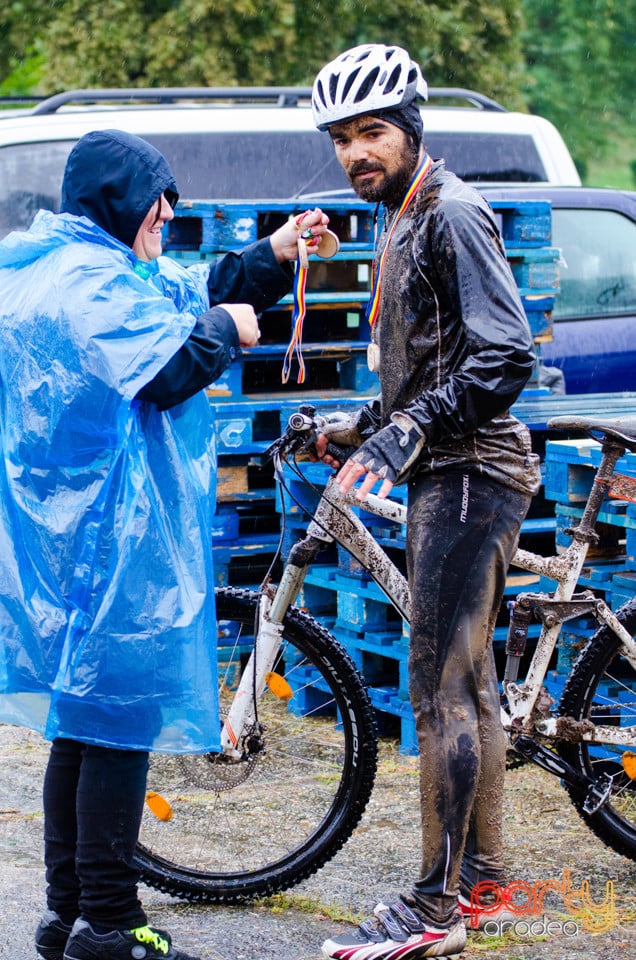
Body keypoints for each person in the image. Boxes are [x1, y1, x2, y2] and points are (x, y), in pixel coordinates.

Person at [0, 128, 329, 960]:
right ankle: (110, 926)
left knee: (81, 725)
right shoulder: (93, 285)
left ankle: (64, 914)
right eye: (159, 198)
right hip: (115, 548)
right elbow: (173, 364)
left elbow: (180, 288)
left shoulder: (55, 267)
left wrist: (270, 252)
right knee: (117, 725)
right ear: (123, 199)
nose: (170, 213)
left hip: (64, 545)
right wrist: (226, 329)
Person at [310, 44, 542, 959]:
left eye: (371, 132)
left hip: (472, 471)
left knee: (440, 695)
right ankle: (482, 888)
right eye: (341, 138)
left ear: (410, 129)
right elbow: (432, 366)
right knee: (470, 691)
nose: (355, 153)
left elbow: (504, 355)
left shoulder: (452, 212)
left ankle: (433, 905)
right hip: (450, 463)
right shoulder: (399, 217)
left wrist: (408, 433)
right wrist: (356, 422)